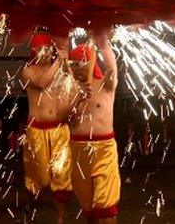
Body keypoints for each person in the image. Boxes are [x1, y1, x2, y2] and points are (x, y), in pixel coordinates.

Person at [20, 28, 78, 224]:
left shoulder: (61, 71)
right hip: (36, 131)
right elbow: (43, 83)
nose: (43, 52)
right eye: (40, 49)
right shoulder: (27, 71)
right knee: (40, 179)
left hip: (60, 130)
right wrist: (60, 61)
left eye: (47, 49)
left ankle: (60, 218)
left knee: (61, 177)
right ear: (33, 51)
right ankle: (30, 206)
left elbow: (69, 96)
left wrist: (76, 96)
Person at [68, 31, 120, 223]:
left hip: (103, 148)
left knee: (107, 209)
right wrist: (78, 97)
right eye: (72, 64)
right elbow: (66, 117)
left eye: (78, 63)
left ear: (89, 63)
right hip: (78, 150)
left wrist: (102, 39)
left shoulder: (106, 84)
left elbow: (112, 68)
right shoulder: (69, 88)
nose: (75, 67)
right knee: (90, 210)